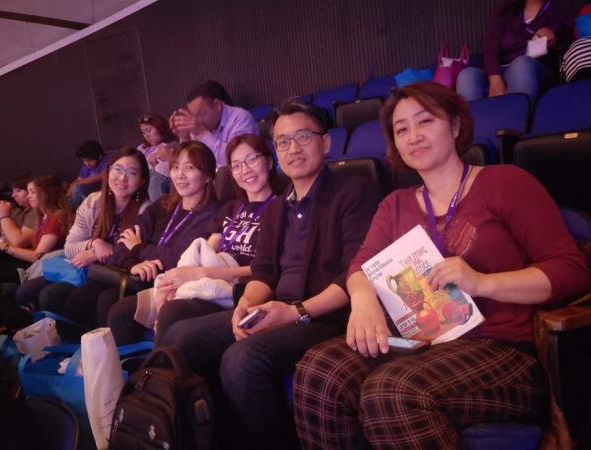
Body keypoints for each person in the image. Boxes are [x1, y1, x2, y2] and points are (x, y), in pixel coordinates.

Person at [292, 82, 591, 450]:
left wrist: (482, 282)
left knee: (392, 391)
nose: (413, 136)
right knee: (319, 371)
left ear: (455, 125)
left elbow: (571, 270)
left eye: (425, 121)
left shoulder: (506, 183)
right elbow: (360, 265)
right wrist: (363, 299)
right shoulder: (395, 204)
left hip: (501, 351)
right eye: (401, 129)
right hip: (421, 342)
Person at [159, 98, 379, 449]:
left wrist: (294, 312)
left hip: (325, 315)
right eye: (283, 141)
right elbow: (263, 271)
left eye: (303, 137)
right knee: (181, 337)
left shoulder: (352, 193)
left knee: (243, 359)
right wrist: (246, 304)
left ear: (325, 142)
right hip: (277, 307)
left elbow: (356, 270)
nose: (293, 148)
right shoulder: (277, 207)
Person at [108, 134, 278, 346]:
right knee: (120, 312)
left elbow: (267, 269)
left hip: (240, 288)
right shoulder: (231, 209)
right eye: (236, 165)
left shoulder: (281, 209)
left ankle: (158, 365)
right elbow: (205, 252)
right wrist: (177, 280)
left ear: (269, 162)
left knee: (173, 311)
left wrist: (200, 273)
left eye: (251, 160)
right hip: (208, 280)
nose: (245, 170)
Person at [61, 141, 221, 329]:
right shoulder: (164, 204)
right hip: (138, 275)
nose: (180, 175)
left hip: (170, 284)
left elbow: (179, 258)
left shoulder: (214, 214)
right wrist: (133, 263)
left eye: (190, 168)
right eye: (176, 167)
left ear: (208, 176)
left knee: (112, 305)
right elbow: (123, 240)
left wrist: (139, 248)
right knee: (79, 298)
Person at [15, 148, 151, 316]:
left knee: (56, 297)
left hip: (113, 272)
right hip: (85, 268)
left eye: (132, 173)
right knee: (26, 292)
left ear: (142, 181)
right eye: (117, 169)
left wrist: (95, 254)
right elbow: (70, 247)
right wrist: (94, 243)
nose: (122, 178)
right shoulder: (93, 202)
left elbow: (133, 252)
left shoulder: (145, 211)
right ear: (108, 171)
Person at [0, 175, 70, 330]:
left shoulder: (55, 218)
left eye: (32, 192)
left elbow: (37, 256)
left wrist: (2, 246)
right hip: (30, 261)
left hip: (41, 267)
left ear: (47, 194)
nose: (28, 196)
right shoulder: (43, 217)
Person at [457, 0, 575, 103]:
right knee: (466, 76)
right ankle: (475, 122)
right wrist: (495, 79)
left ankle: (517, 120)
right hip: (502, 69)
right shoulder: (506, 10)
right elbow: (491, 47)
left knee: (521, 65)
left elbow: (569, 36)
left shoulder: (560, 6)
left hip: (538, 69)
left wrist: (554, 36)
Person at [169, 82, 258, 168]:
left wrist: (202, 133)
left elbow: (235, 159)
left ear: (217, 105)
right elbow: (191, 163)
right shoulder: (198, 125)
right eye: (194, 116)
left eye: (201, 114)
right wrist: (186, 138)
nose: (198, 121)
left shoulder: (240, 118)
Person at [137, 113, 179, 202]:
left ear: (160, 128)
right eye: (143, 132)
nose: (147, 135)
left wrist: (154, 166)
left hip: (161, 180)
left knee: (154, 179)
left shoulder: (169, 146)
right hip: (142, 180)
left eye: (149, 130)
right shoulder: (142, 147)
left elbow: (168, 173)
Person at [0, 175, 37, 252]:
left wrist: (4, 217)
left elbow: (19, 242)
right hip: (0, 251)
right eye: (13, 191)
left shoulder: (35, 212)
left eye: (18, 191)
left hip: (14, 254)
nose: (13, 195)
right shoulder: (16, 210)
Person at [68, 140, 110, 210]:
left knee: (78, 188)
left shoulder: (107, 159)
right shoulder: (87, 166)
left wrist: (79, 183)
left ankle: (75, 211)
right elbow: (79, 179)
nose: (87, 164)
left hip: (102, 190)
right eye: (84, 160)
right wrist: (70, 188)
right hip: (89, 194)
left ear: (99, 156)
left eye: (90, 160)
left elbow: (103, 175)